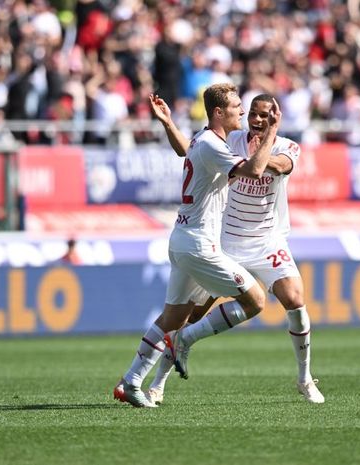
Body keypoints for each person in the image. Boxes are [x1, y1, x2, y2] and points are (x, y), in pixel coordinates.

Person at [145, 93, 324, 404]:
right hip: (224, 240)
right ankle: (158, 382)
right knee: (189, 313)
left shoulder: (287, 146)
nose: (256, 119)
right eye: (252, 113)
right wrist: (169, 124)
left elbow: (280, 166)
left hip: (266, 240)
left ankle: (304, 378)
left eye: (264, 115)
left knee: (295, 300)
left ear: (276, 118)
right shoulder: (231, 140)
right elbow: (191, 151)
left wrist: (263, 144)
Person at [113, 83, 281, 407]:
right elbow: (256, 169)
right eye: (236, 106)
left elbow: (184, 150)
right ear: (219, 112)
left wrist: (167, 122)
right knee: (256, 300)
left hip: (182, 240)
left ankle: (131, 381)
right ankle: (187, 341)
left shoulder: (206, 141)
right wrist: (272, 131)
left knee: (171, 319)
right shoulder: (212, 146)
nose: (242, 112)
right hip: (199, 245)